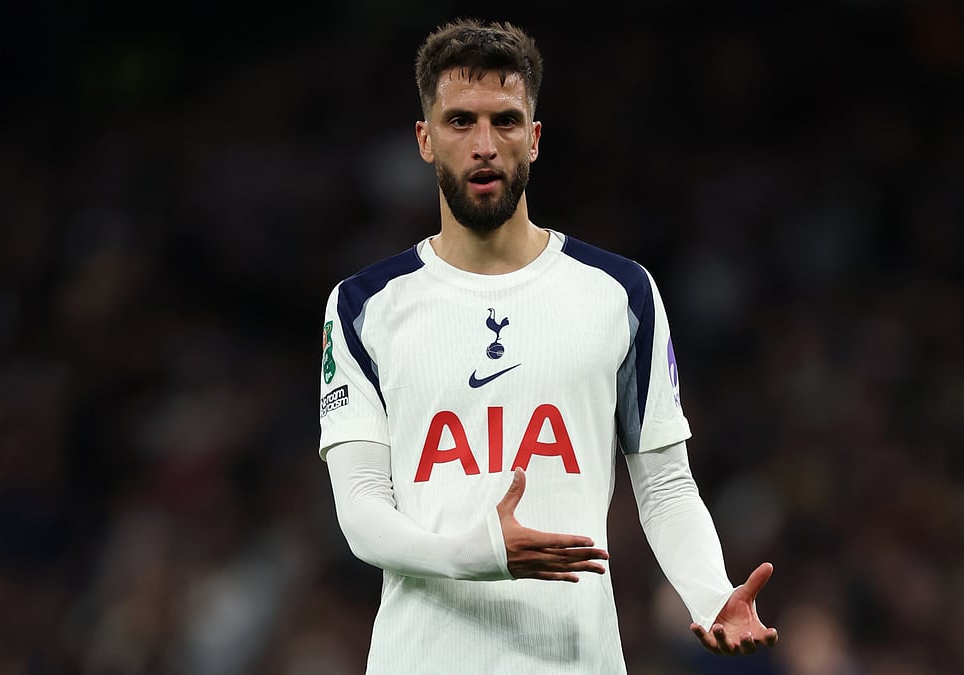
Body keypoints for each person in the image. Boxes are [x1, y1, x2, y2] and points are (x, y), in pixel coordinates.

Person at [318, 17, 778, 673]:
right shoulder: (364, 305)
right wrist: (479, 550)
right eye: (460, 121)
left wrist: (710, 594)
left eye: (505, 121)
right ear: (425, 139)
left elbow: (667, 487)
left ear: (533, 139)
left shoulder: (619, 291)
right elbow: (361, 507)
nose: (484, 144)